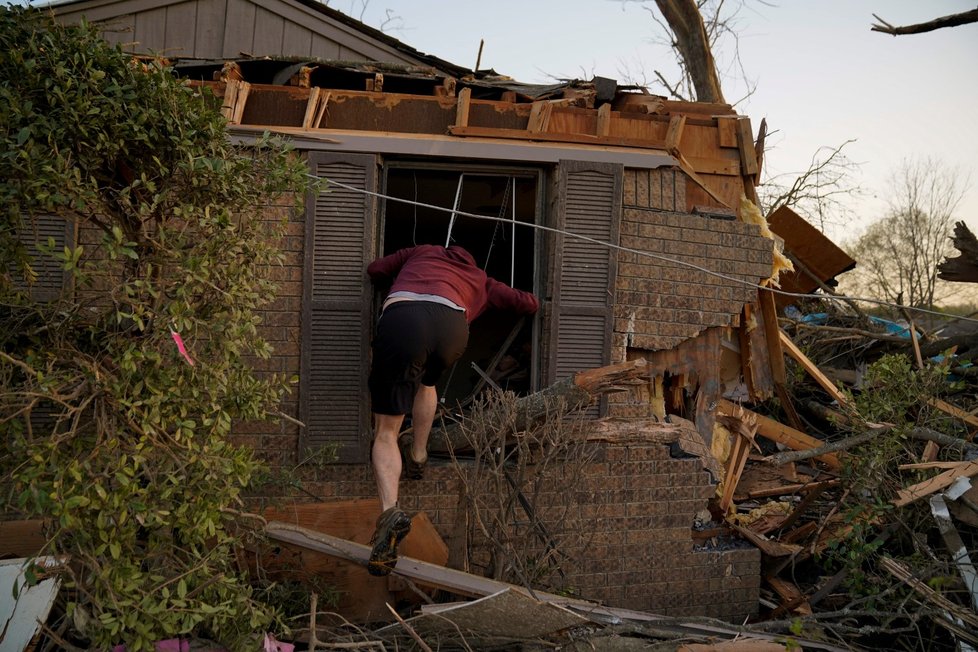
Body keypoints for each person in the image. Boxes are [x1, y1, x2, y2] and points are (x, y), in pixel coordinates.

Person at [364, 244, 539, 575]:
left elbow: (374, 269)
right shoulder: (479, 278)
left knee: (386, 431)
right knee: (428, 383)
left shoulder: (420, 252)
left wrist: (402, 274)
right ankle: (418, 454)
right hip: (451, 326)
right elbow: (528, 303)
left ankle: (390, 511)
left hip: (404, 320)